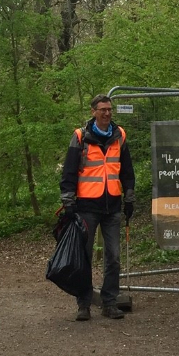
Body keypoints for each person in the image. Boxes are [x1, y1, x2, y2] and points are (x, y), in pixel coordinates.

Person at [60, 94, 136, 321]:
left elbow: (127, 171)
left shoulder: (119, 135)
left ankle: (109, 303)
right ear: (93, 112)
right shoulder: (80, 136)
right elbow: (69, 172)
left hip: (112, 205)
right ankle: (83, 304)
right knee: (84, 257)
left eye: (109, 109)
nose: (107, 113)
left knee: (113, 257)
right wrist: (68, 202)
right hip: (86, 207)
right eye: (102, 109)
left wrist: (129, 198)